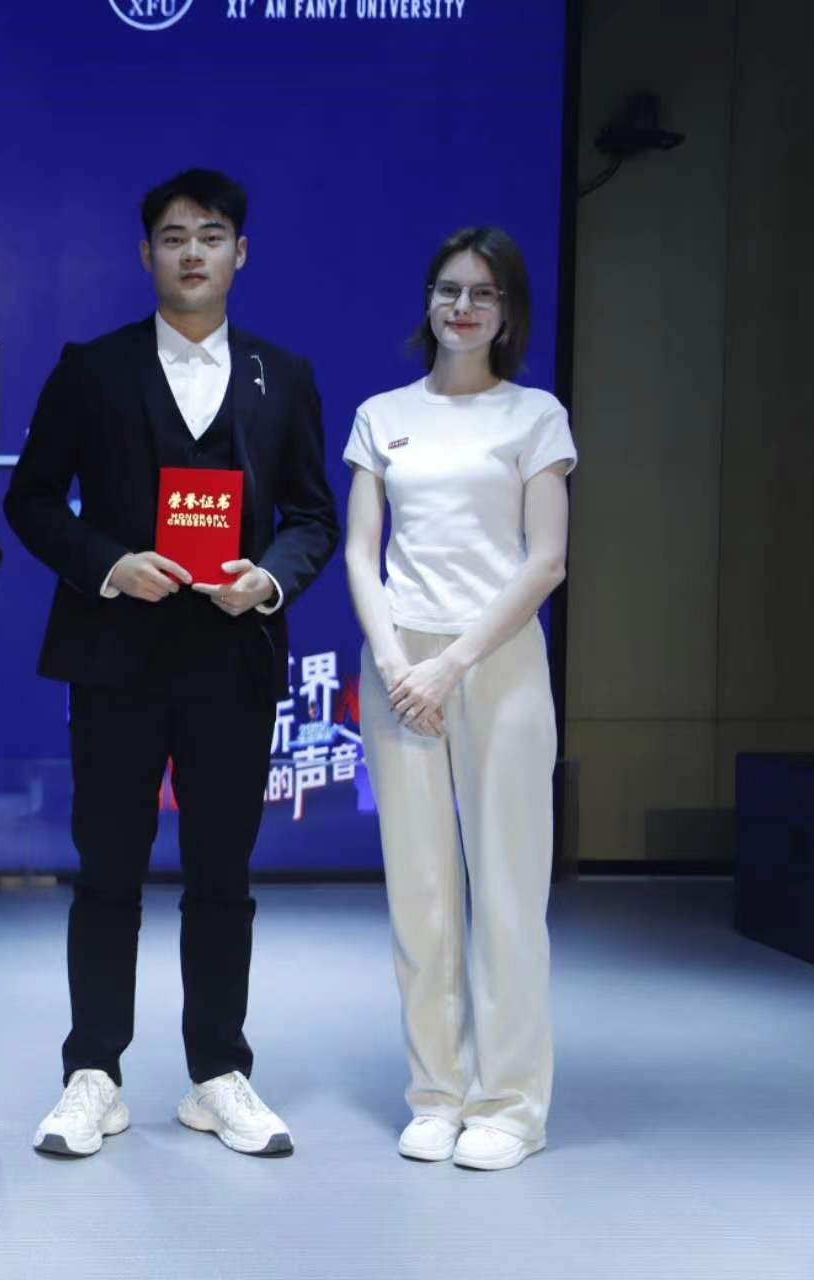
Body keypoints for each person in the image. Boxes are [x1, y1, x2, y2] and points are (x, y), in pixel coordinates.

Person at [6, 169, 338, 1159]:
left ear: (242, 253)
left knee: (221, 875)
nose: (193, 251)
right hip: (115, 654)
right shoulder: (92, 368)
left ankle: (218, 1072)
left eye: (213, 234)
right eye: (174, 236)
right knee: (106, 869)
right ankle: (93, 1073)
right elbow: (31, 500)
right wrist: (108, 563)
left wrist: (268, 579)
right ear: (145, 253)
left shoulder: (285, 374)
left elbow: (313, 515)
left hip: (232, 656)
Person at [342, 226, 573, 1172]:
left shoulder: (535, 416)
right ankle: (436, 1094)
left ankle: (511, 1105)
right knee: (421, 894)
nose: (463, 307)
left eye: (483, 293)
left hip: (499, 662)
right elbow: (361, 551)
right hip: (400, 664)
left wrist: (454, 664)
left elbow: (546, 561)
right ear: (429, 301)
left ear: (507, 310)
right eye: (448, 290)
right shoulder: (382, 415)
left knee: (508, 890)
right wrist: (399, 660)